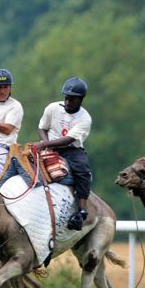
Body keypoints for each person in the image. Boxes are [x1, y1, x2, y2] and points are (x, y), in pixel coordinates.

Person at [34, 77, 92, 230]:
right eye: (66, 98)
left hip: (71, 149)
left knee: (83, 171)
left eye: (72, 99)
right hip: (48, 144)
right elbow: (42, 127)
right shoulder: (52, 108)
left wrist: (44, 145)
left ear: (80, 100)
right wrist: (45, 145)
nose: (67, 102)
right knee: (24, 161)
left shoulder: (85, 119)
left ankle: (82, 210)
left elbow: (68, 140)